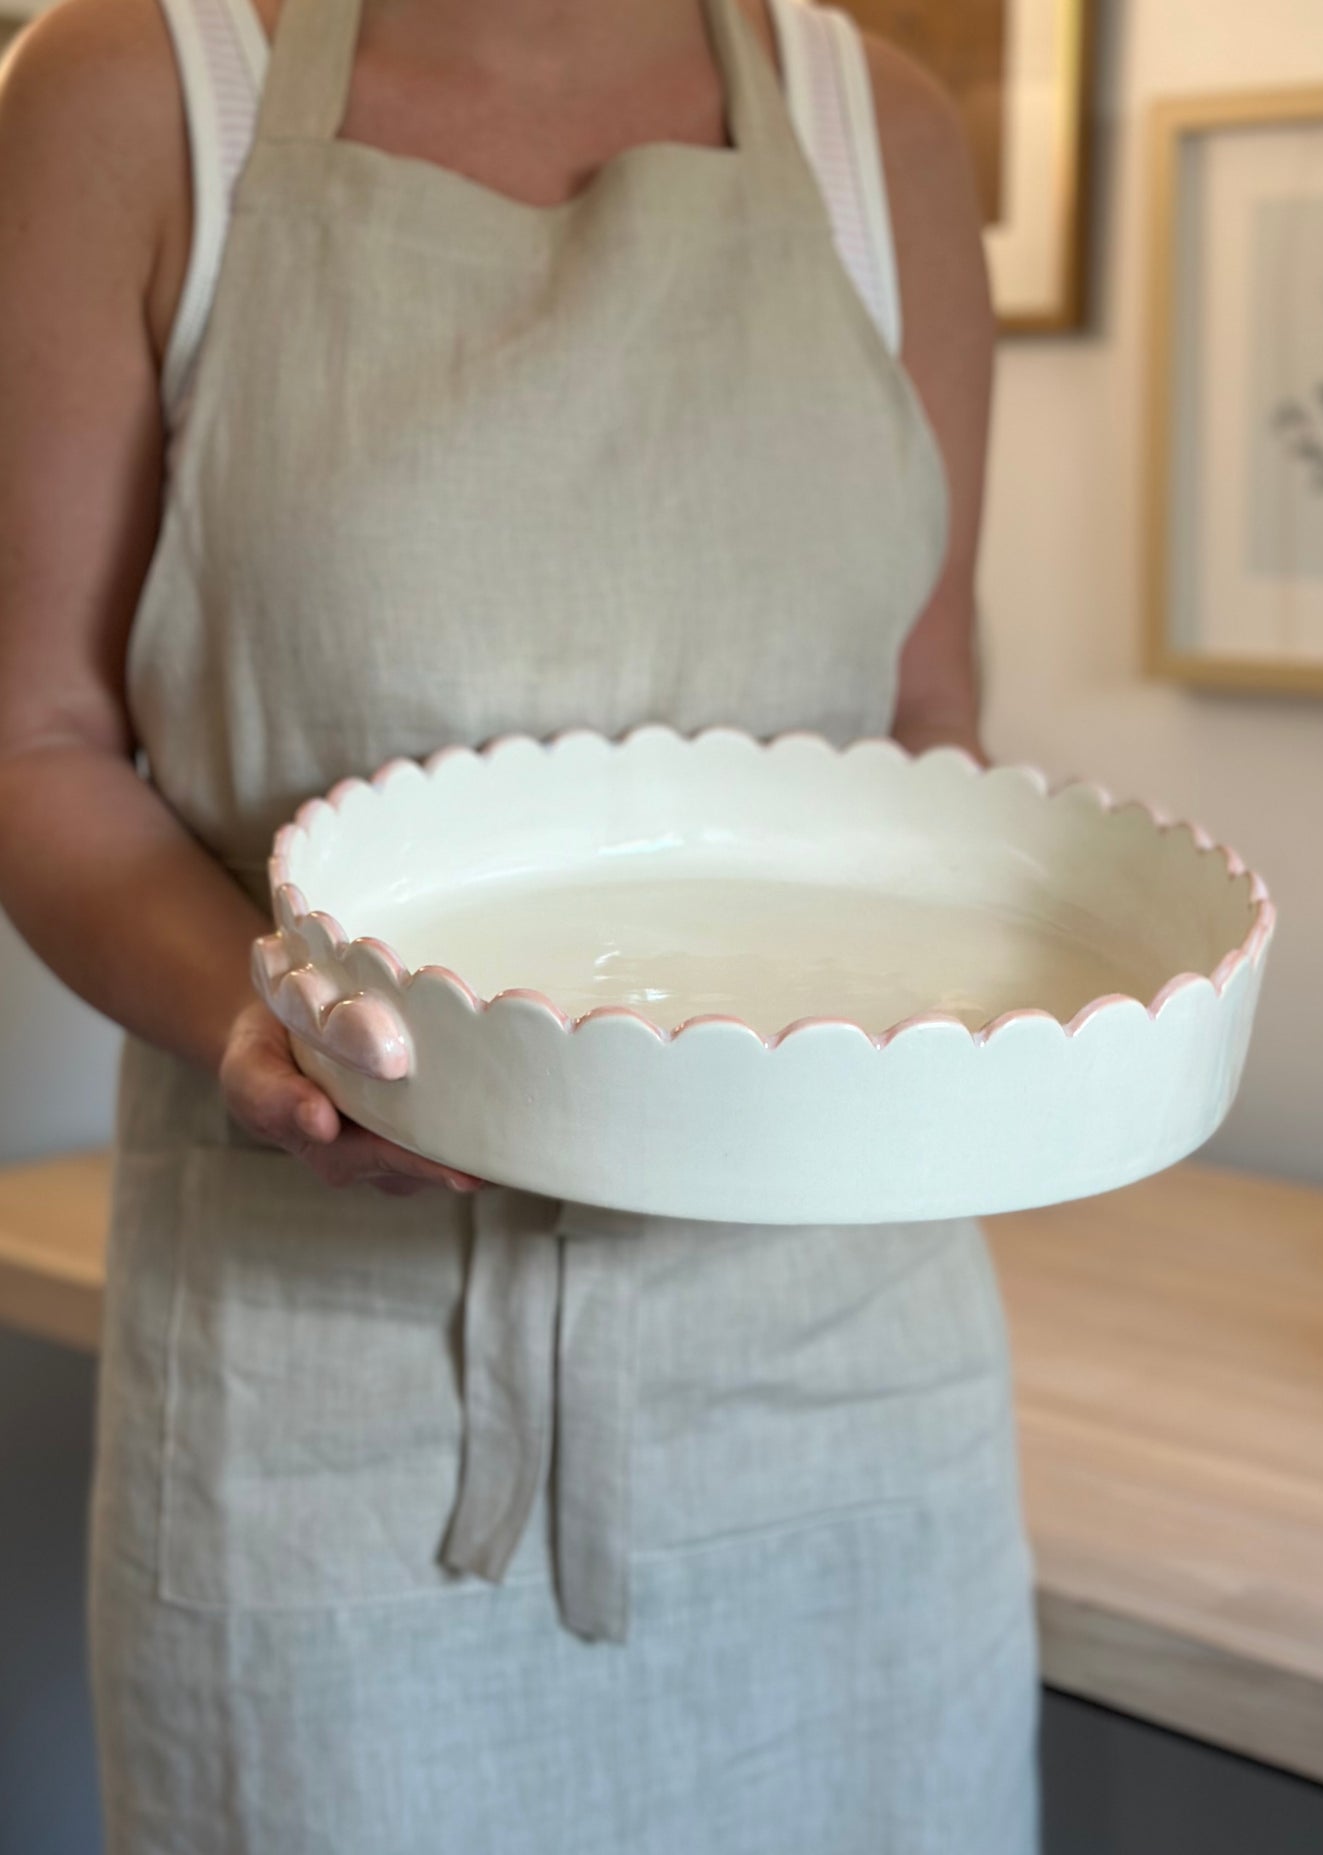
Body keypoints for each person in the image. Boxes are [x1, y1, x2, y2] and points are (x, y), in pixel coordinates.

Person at [0, 0, 1038, 1848]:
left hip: (846, 1377)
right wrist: (256, 1013)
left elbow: (924, 722)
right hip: (324, 1402)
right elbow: (38, 739)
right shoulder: (130, 92)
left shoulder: (883, 132)